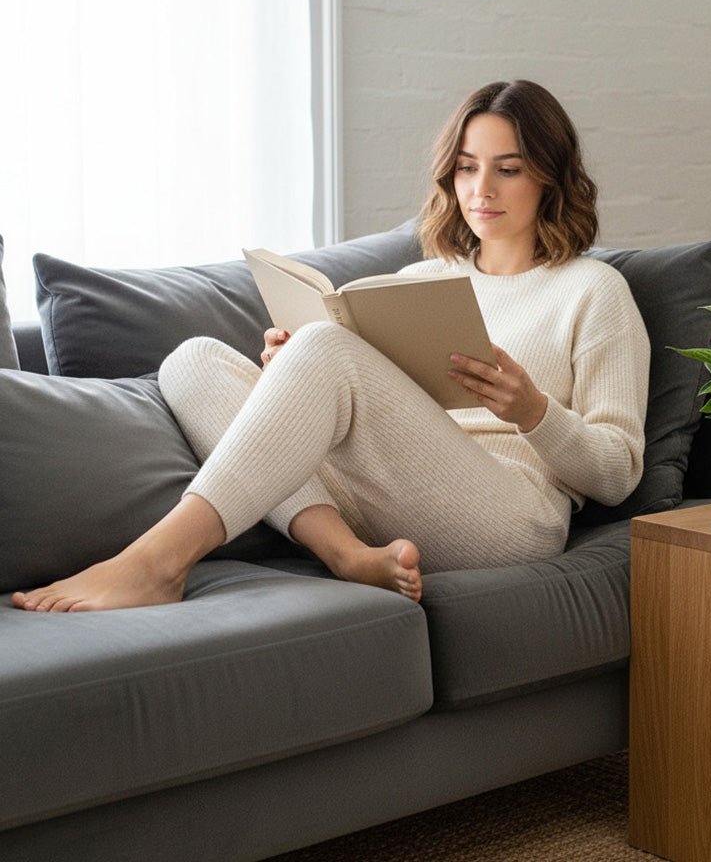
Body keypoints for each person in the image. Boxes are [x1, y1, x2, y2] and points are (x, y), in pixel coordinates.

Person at [12, 80, 650, 612]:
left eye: (507, 170)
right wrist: (285, 377)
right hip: (374, 497)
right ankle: (347, 555)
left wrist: (532, 412)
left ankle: (156, 561)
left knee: (326, 351)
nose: (481, 188)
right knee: (194, 361)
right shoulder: (418, 282)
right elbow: (363, 406)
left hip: (508, 515)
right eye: (466, 166)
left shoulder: (593, 290)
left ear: (549, 178)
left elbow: (618, 475)